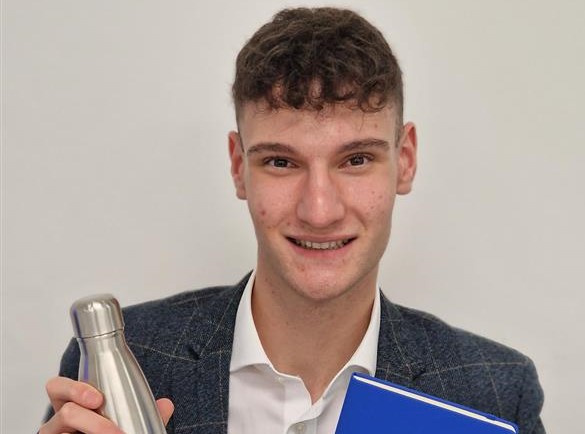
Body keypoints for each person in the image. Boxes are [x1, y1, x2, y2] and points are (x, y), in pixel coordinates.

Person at [39, 7, 545, 434]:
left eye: (356, 160)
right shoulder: (127, 359)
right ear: (239, 167)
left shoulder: (497, 394)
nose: (319, 211)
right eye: (281, 162)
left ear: (405, 160)